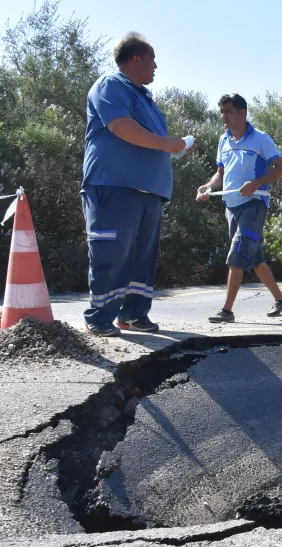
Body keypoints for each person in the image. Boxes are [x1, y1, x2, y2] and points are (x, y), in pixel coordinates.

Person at [81, 33, 196, 337]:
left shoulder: (145, 98)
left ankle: (132, 315)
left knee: (141, 259)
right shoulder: (111, 85)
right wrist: (164, 142)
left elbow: (153, 143)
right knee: (111, 252)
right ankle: (99, 317)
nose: (156, 66)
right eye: (152, 59)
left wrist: (176, 146)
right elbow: (120, 125)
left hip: (149, 192)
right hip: (114, 185)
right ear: (136, 59)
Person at [197, 94, 282, 323]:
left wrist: (255, 184)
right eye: (222, 111)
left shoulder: (260, 139)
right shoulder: (223, 140)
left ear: (242, 112)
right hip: (231, 207)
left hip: (254, 205)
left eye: (228, 111)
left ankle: (227, 311)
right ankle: (280, 300)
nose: (223, 116)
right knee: (254, 258)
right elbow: (220, 173)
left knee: (237, 255)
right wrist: (208, 187)